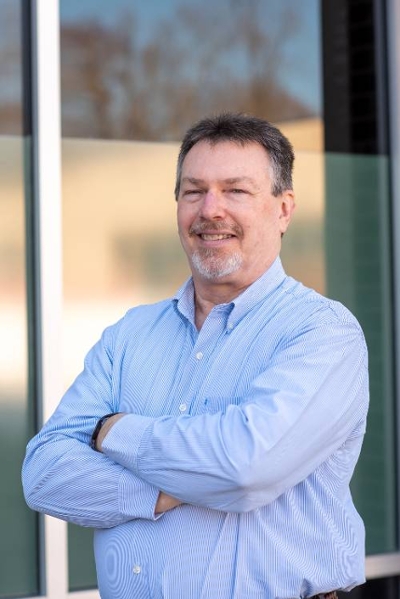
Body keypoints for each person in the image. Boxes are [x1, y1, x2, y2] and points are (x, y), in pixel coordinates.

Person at [22, 113, 369, 599]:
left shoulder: (321, 334)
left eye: (236, 191)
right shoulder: (130, 335)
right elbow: (44, 473)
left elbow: (245, 469)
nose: (211, 210)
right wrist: (162, 493)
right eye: (193, 191)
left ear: (284, 209)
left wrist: (114, 431)